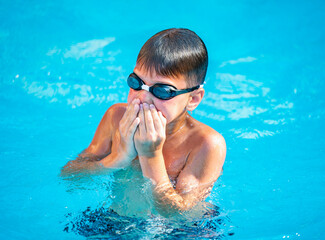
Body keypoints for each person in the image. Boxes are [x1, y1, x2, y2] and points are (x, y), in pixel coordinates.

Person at [62, 28, 226, 212]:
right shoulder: (116, 117)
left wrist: (150, 155)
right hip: (118, 221)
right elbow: (71, 176)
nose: (142, 98)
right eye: (136, 83)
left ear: (193, 99)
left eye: (162, 91)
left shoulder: (205, 144)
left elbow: (180, 215)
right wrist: (118, 158)